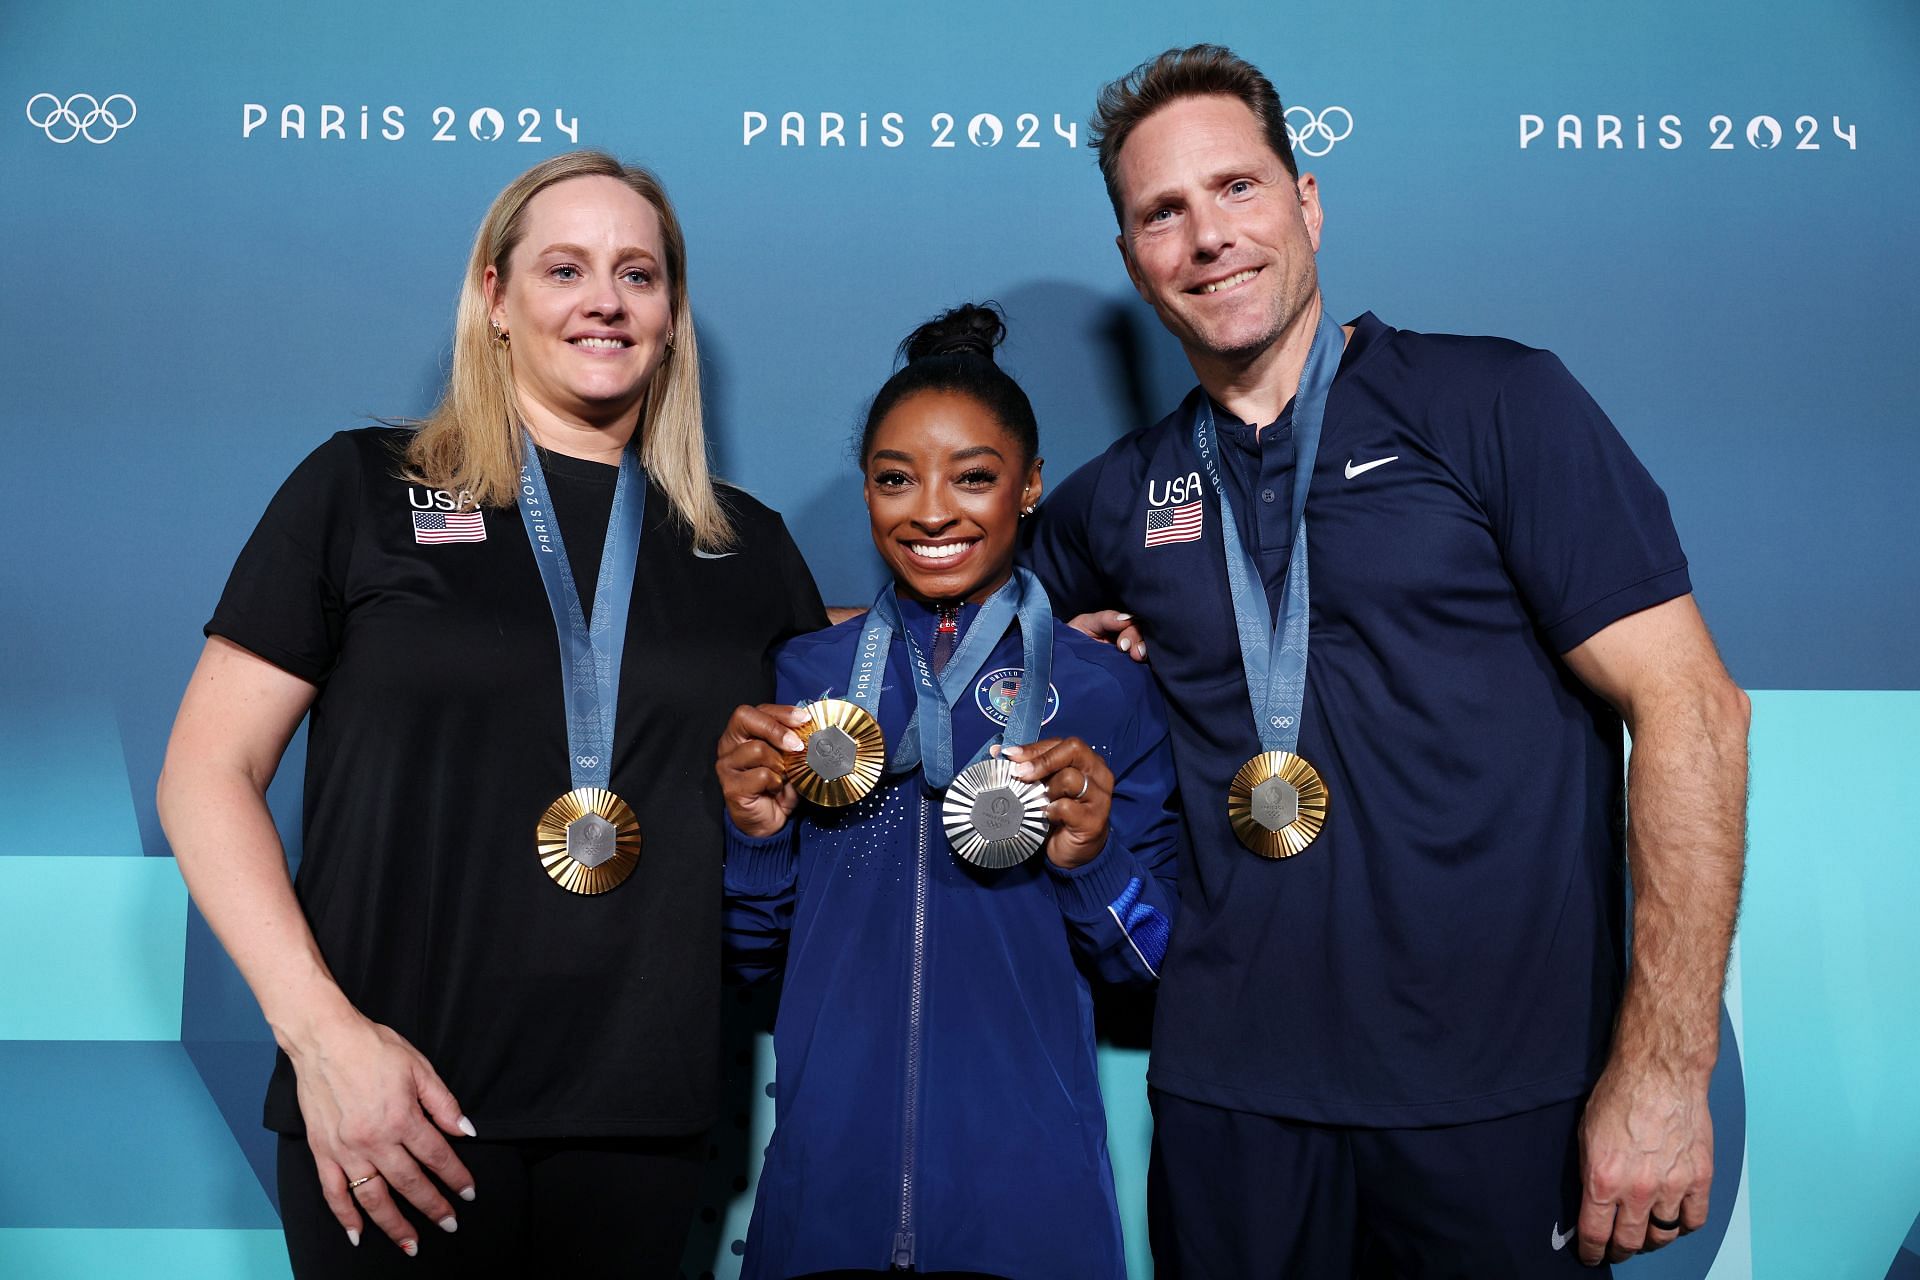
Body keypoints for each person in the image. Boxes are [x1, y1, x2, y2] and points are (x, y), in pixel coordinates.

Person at [1024, 46, 1752, 1277]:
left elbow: (1693, 710)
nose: (1208, 236)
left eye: (1238, 188)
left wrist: (1666, 1072)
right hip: (1231, 1107)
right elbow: (939, 621)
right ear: (1136, 261)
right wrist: (1072, 657)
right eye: (1165, 212)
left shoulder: (1496, 403)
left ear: (1308, 202)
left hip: (1498, 1101)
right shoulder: (1121, 497)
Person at [156, 150, 824, 1275]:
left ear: (670, 314)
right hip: (392, 1104)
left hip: (639, 1118)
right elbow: (204, 773)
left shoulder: (743, 547)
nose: (604, 300)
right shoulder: (362, 487)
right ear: (494, 297)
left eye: (638, 273)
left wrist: (1051, 626)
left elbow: (845, 703)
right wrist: (323, 1039)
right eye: (564, 268)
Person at [715, 303, 1182, 1279]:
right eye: (896, 478)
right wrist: (755, 837)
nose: (931, 509)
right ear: (868, 489)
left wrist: (1093, 861)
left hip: (1030, 1210)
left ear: (1031, 485)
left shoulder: (1104, 686)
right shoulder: (803, 676)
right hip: (820, 1204)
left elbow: (1154, 965)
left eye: (973, 476)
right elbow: (746, 955)